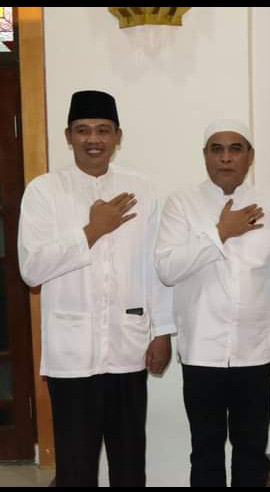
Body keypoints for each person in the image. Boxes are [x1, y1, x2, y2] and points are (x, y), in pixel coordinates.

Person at [18, 90, 174, 487]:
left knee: (129, 464)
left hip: (128, 349)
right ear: (68, 135)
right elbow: (32, 269)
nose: (93, 139)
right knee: (76, 468)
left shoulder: (142, 189)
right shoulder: (44, 191)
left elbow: (154, 266)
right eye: (83, 130)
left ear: (118, 136)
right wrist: (91, 231)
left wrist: (162, 332)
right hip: (72, 355)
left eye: (103, 130)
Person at [154, 120, 270, 487]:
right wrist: (220, 232)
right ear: (205, 156)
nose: (226, 158)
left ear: (250, 156)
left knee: (252, 448)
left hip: (255, 349)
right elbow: (167, 269)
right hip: (202, 349)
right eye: (216, 149)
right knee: (206, 449)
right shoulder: (181, 204)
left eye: (235, 149)